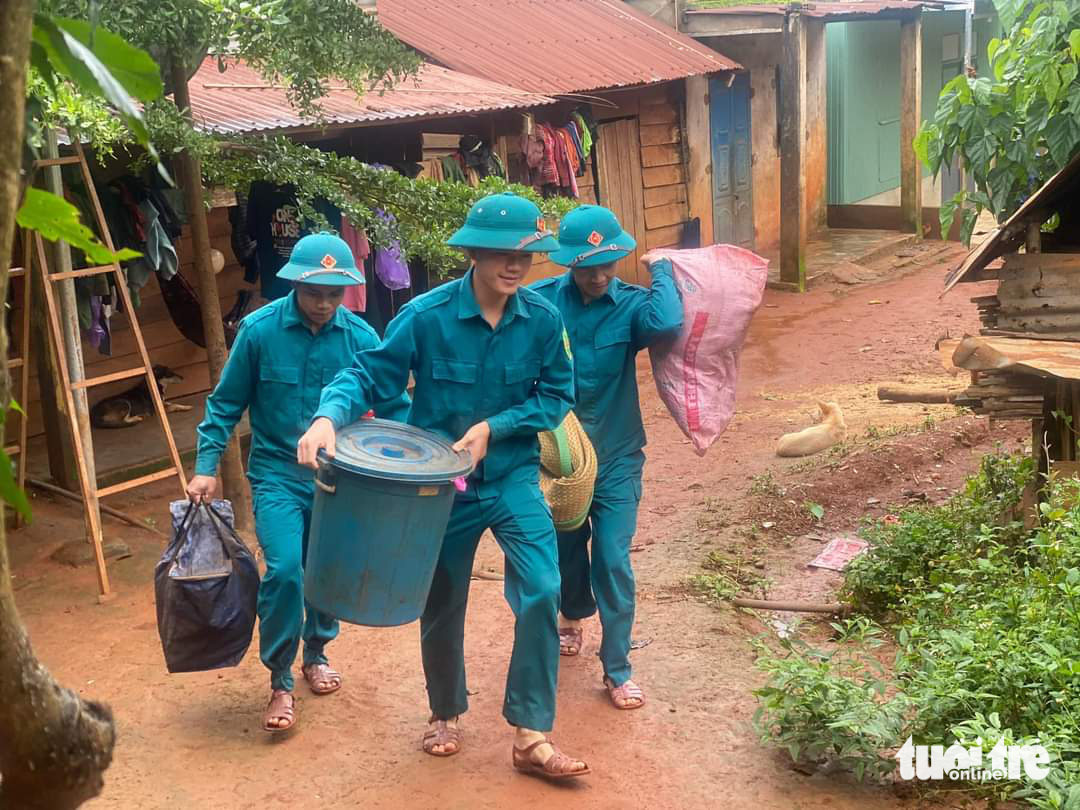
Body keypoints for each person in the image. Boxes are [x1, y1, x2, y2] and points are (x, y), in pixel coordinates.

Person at [297, 193, 590, 779]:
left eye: (525, 255)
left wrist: (495, 427)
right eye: (501, 253)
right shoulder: (425, 316)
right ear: (474, 253)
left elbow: (557, 396)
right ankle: (444, 712)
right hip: (439, 488)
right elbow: (366, 374)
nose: (514, 265)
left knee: (541, 589)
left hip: (510, 478)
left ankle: (531, 733)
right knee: (442, 599)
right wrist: (328, 416)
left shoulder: (542, 319)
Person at [187, 232, 410, 734]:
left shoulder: (360, 336)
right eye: (316, 293)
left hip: (339, 481)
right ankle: (281, 678)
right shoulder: (260, 331)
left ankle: (317, 651)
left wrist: (425, 452)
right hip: (276, 475)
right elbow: (225, 404)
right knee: (287, 569)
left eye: (335, 293)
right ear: (294, 285)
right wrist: (205, 466)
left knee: (326, 572)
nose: (325, 304)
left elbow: (395, 404)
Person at [531, 205, 683, 711]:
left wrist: (660, 267)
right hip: (563, 459)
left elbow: (668, 321)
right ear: (568, 264)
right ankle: (571, 613)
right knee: (567, 549)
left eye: (608, 265)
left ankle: (617, 668)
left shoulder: (631, 305)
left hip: (617, 455)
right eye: (588, 266)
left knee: (613, 559)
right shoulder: (543, 305)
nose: (599, 276)